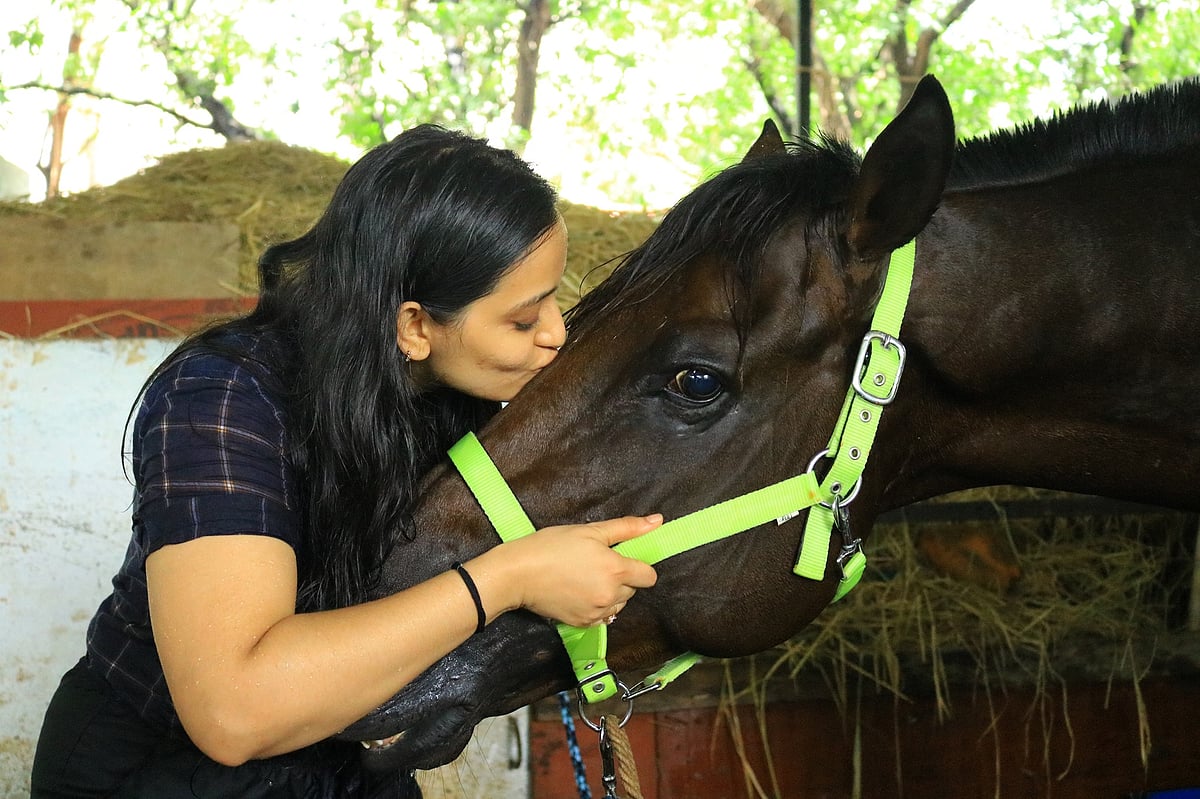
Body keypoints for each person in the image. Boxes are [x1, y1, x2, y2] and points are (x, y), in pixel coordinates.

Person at [30, 125, 661, 798]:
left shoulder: (457, 395)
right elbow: (233, 710)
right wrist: (507, 578)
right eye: (520, 319)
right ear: (413, 325)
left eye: (553, 300)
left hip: (347, 769)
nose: (556, 333)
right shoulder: (223, 397)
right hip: (161, 773)